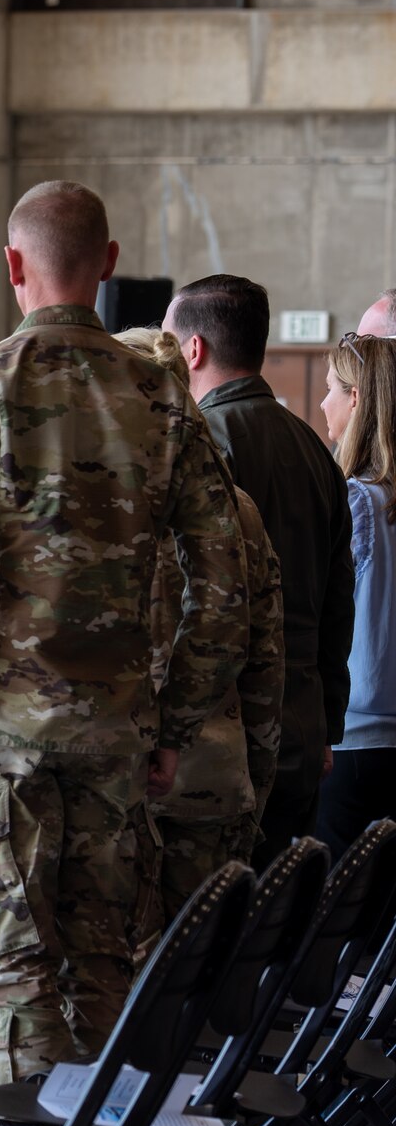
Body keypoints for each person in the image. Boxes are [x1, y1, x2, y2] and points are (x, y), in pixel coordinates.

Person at [0, 180, 245, 1087]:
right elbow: (222, 586)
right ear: (109, 265)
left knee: (16, 985)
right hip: (119, 743)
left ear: (13, 265)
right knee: (102, 980)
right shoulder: (167, 400)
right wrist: (177, 727)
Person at [166, 275, 353, 867]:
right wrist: (328, 723)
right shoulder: (312, 447)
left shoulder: (197, 445)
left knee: (205, 928)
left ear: (192, 350)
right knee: (275, 922)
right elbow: (336, 601)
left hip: (225, 729)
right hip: (301, 719)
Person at [112, 328, 284, 925]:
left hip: (106, 783)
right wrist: (255, 785)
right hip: (209, 776)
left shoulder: (86, 506)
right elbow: (263, 664)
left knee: (108, 983)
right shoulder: (237, 509)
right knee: (197, 978)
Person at [314, 332, 396, 855]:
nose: (322, 403)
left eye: (330, 389)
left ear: (357, 398)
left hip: (357, 739)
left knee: (336, 921)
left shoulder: (354, 499)